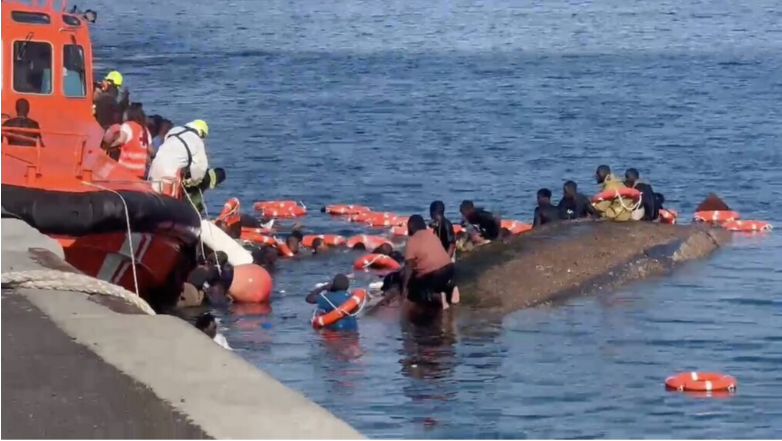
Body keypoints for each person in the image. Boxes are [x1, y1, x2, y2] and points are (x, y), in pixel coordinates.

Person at [403, 215, 458, 309]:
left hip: (434, 274)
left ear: (410, 227)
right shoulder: (432, 235)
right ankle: (451, 289)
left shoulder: (412, 240)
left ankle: (437, 297)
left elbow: (409, 266)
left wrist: (405, 287)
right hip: (450, 269)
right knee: (437, 283)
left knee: (415, 293)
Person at [148, 119, 209, 192]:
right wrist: (192, 181)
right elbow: (200, 169)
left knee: (152, 192)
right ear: (202, 134)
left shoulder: (174, 130)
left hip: (154, 167)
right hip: (168, 176)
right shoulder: (198, 141)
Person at [108, 103, 153, 178]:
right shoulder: (145, 129)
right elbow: (151, 150)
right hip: (140, 170)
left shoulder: (127, 125)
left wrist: (110, 147)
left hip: (126, 168)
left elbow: (121, 139)